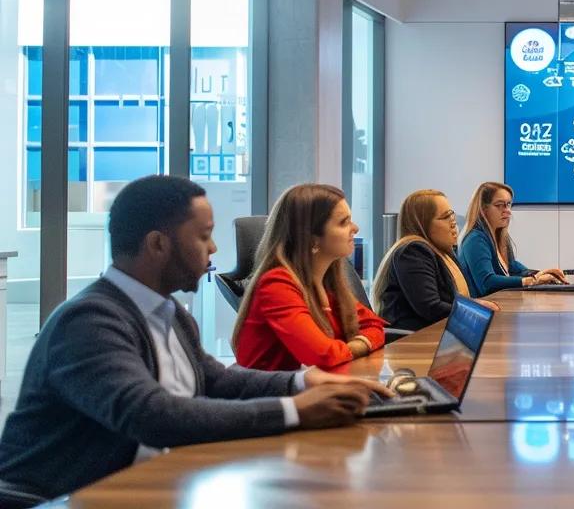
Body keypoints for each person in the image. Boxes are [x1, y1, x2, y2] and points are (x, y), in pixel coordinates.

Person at [0, 175, 391, 500]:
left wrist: (303, 381)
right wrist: (296, 410)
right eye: (204, 236)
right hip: (61, 498)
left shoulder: (169, 314)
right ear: (157, 244)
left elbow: (216, 380)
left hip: (144, 484)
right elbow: (152, 415)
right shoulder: (89, 322)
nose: (215, 248)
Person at [233, 183, 388, 371]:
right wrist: (358, 346)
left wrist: (355, 345)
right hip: (275, 397)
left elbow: (374, 325)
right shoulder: (277, 285)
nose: (355, 228)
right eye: (343, 222)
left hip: (312, 391)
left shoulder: (327, 285)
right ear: (312, 238)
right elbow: (323, 355)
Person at [373, 189, 499, 331]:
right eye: (445, 217)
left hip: (440, 333)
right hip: (414, 341)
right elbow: (430, 308)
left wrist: (476, 305)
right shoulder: (413, 251)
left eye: (452, 214)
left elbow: (452, 301)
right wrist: (475, 310)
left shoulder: (445, 253)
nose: (453, 223)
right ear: (422, 223)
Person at [458, 181, 566, 296]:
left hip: (500, 302)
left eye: (508, 204)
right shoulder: (475, 239)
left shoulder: (500, 235)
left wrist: (541, 273)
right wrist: (532, 280)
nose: (507, 210)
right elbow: (487, 282)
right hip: (485, 308)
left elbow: (513, 268)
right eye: (500, 205)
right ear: (483, 209)